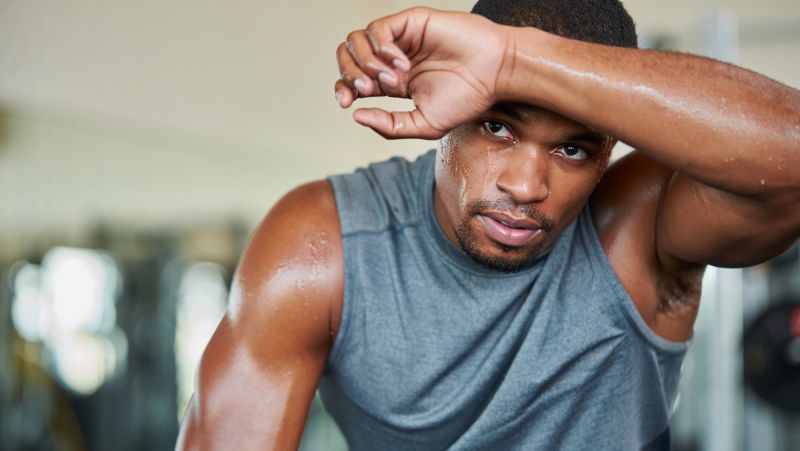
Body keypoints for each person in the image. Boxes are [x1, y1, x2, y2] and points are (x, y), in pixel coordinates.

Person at [176, 0, 800, 449]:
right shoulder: (326, 245)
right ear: (451, 113)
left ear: (608, 153)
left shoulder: (638, 228)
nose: (526, 188)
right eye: (498, 126)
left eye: (574, 149)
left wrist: (510, 58)